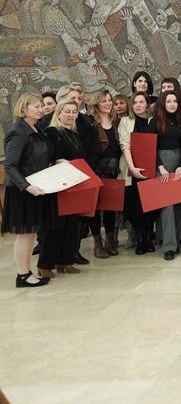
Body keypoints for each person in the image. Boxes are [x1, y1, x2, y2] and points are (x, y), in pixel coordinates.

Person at [3, 93, 54, 287]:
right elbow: (10, 166)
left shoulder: (36, 128)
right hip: (23, 191)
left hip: (35, 186)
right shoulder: (18, 132)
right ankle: (23, 275)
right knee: (24, 234)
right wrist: (27, 187)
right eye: (36, 106)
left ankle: (27, 272)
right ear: (24, 108)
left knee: (31, 234)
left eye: (42, 106)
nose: (41, 109)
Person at [40, 99, 90, 275]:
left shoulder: (75, 135)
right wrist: (60, 161)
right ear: (59, 113)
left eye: (74, 112)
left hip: (74, 183)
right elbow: (51, 155)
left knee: (72, 224)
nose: (71, 115)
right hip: (59, 184)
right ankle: (45, 265)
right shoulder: (52, 132)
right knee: (56, 226)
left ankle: (66, 261)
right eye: (67, 111)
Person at [84, 89, 121, 258]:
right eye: (104, 100)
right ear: (96, 103)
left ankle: (110, 241)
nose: (108, 103)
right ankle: (97, 244)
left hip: (113, 169)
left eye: (109, 100)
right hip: (97, 168)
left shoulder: (116, 121)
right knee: (96, 207)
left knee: (110, 207)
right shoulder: (91, 123)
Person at [119, 91, 158, 255]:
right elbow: (125, 145)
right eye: (135, 102)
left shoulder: (154, 121)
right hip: (131, 171)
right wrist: (133, 167)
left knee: (150, 206)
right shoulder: (125, 121)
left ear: (147, 104)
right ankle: (140, 240)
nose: (138, 105)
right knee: (133, 206)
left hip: (151, 170)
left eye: (141, 102)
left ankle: (148, 238)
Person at [151, 91, 181, 261]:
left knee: (179, 204)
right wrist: (160, 167)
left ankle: (175, 241)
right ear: (163, 103)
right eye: (168, 101)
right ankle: (168, 247)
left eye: (175, 101)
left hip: (178, 161)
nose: (172, 104)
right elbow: (150, 147)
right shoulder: (155, 122)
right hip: (162, 164)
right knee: (167, 206)